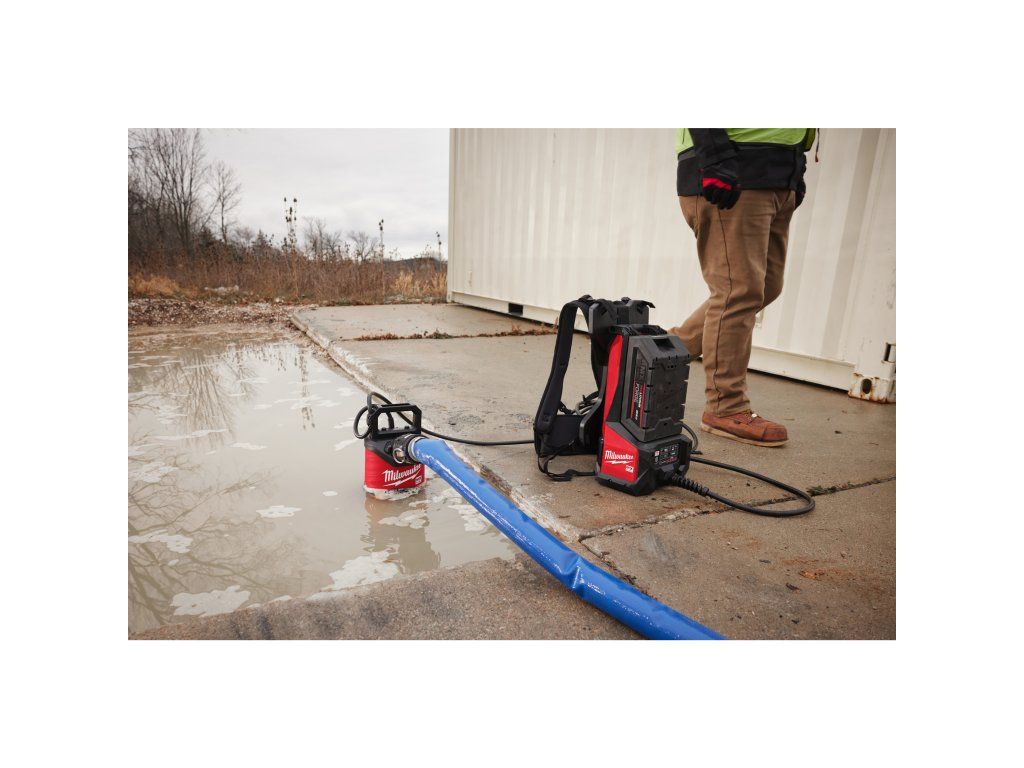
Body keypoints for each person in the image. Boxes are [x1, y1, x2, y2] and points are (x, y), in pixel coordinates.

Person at [670, 128, 815, 447]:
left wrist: (796, 170)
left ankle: (665, 351)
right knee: (737, 291)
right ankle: (725, 406)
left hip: (777, 176)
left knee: (765, 286)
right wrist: (715, 158)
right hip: (733, 169)